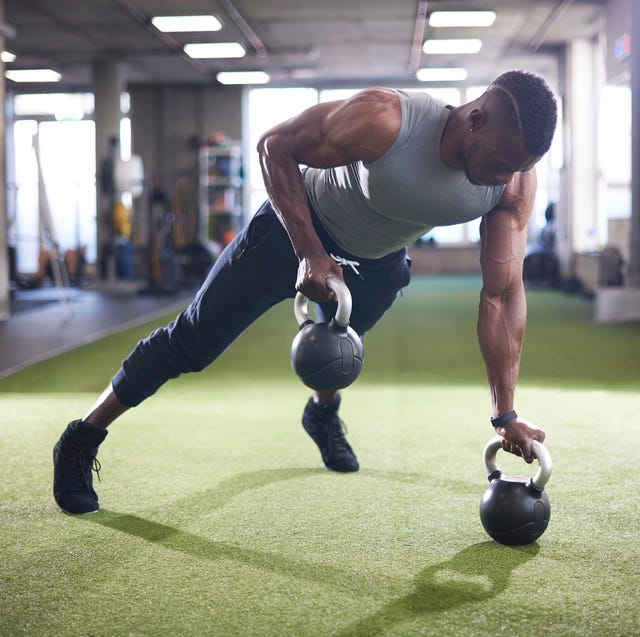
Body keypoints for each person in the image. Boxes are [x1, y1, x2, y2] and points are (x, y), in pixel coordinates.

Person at [53, 70, 558, 515]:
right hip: (289, 230)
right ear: (475, 121)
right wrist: (309, 252)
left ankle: (321, 412)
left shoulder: (511, 182)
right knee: (193, 342)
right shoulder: (385, 120)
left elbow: (501, 293)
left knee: (341, 350)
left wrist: (505, 413)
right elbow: (275, 147)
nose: (505, 177)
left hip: (377, 263)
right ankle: (82, 436)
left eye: (518, 167)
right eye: (501, 162)